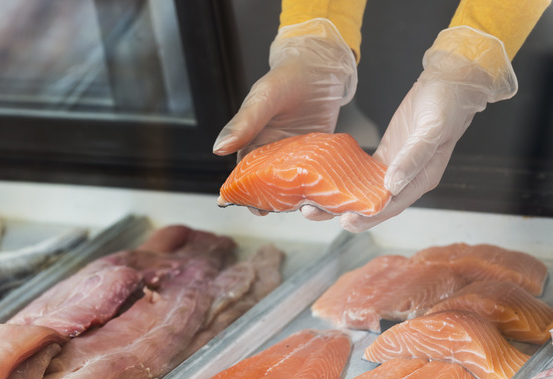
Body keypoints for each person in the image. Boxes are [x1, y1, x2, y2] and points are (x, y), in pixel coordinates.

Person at [212, 0, 550, 232]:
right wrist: (316, 38)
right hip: (387, 30)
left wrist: (470, 63)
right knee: (410, 160)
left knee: (500, 168)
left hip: (519, 38)